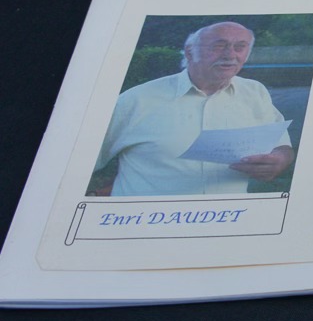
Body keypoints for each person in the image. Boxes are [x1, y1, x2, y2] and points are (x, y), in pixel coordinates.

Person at [91, 21, 296, 196]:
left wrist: (279, 160)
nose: (230, 54)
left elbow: (281, 144)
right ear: (190, 52)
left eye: (240, 47)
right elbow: (83, 159)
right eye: (219, 46)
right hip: (148, 223)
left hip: (227, 221)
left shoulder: (255, 92)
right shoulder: (136, 100)